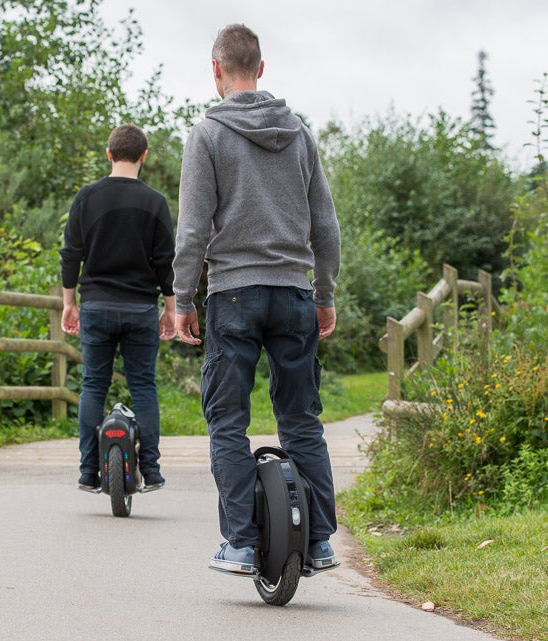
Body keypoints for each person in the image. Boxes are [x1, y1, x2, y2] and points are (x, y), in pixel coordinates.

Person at [171, 24, 342, 574]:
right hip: (294, 292)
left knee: (227, 422)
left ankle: (243, 543)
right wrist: (325, 293)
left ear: (216, 70)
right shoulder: (299, 132)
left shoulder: (208, 135)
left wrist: (182, 299)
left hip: (234, 295)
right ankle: (317, 544)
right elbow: (326, 226)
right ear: (261, 69)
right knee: (301, 421)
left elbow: (193, 230)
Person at [60, 123, 176, 493]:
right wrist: (171, 309)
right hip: (141, 307)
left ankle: (87, 471)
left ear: (109, 154)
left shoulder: (86, 197)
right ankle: (153, 471)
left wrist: (69, 302)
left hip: (96, 305)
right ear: (144, 156)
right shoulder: (155, 202)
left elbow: (70, 254)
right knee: (144, 385)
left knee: (94, 383)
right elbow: (166, 261)